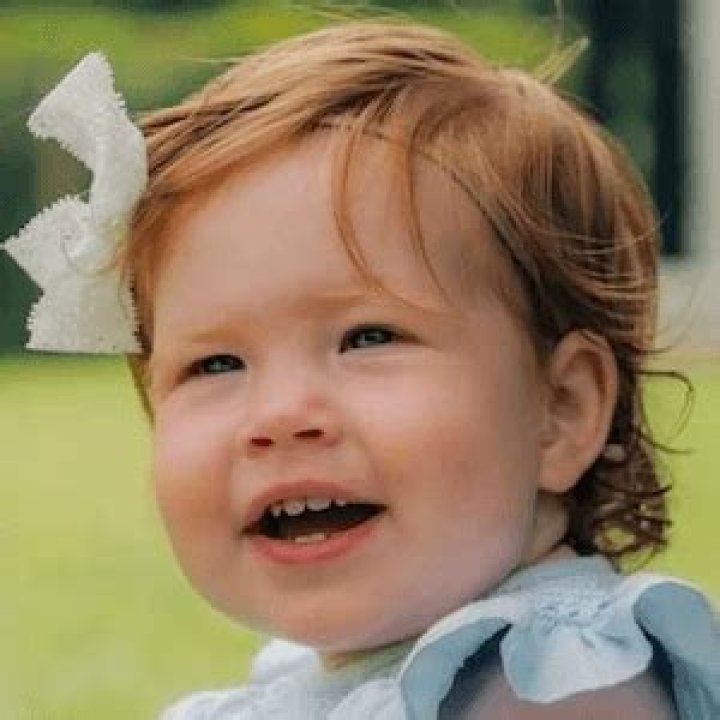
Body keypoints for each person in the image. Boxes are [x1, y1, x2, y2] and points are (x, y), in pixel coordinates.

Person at [4, 20, 718, 720]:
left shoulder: (560, 682)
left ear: (561, 408)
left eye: (366, 338)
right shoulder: (317, 684)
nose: (280, 414)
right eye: (215, 363)